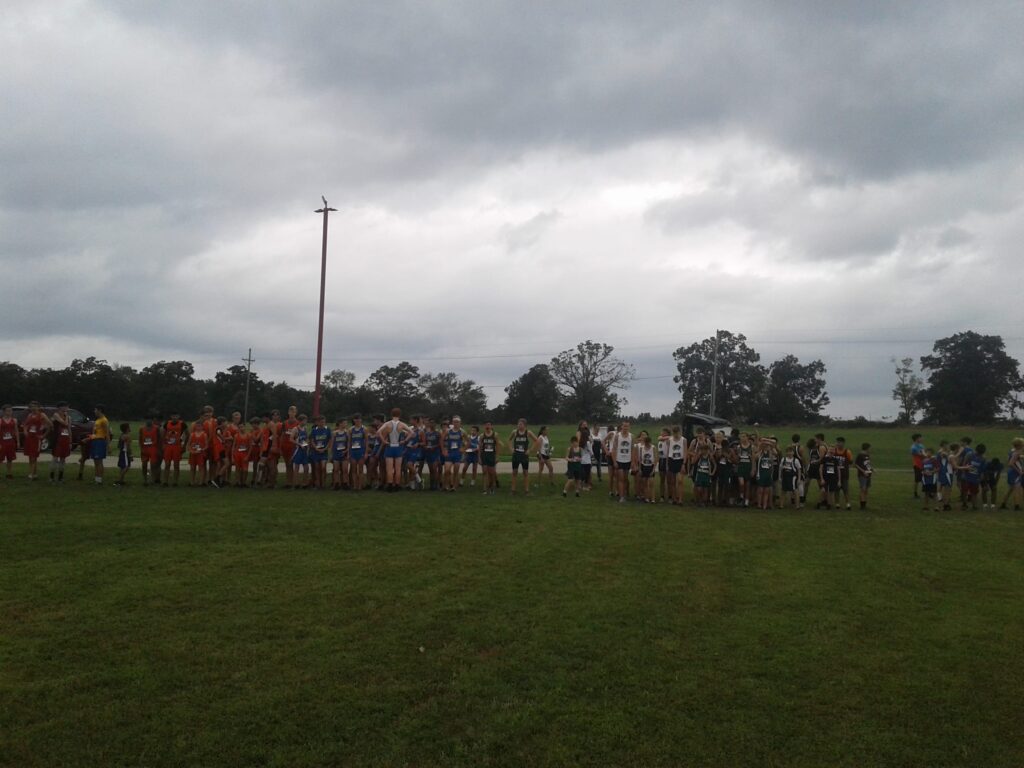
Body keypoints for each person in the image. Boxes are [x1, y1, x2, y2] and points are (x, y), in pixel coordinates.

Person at [377, 408, 413, 492]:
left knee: (389, 468)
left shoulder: (387, 424)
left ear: (391, 414)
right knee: (398, 468)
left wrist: (384, 441)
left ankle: (390, 485)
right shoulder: (402, 424)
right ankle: (397, 485)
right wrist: (405, 441)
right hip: (398, 447)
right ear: (399, 415)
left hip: (389, 446)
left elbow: (378, 432)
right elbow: (411, 432)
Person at [22, 401, 51, 480]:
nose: (33, 408)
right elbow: (25, 424)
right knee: (30, 456)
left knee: (34, 456)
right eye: (31, 406)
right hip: (29, 437)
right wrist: (25, 431)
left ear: (38, 407)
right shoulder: (30, 415)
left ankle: (31, 474)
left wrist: (44, 435)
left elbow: (50, 425)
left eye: (35, 406)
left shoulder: (42, 415)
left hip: (37, 438)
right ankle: (34, 473)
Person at [508, 419, 538, 495]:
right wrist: (511, 448)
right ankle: (513, 490)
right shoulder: (514, 432)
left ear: (525, 425)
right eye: (518, 424)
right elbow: (509, 440)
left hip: (524, 455)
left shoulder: (528, 432)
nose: (519, 425)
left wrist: (530, 450)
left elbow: (536, 440)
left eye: (521, 424)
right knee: (514, 472)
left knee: (525, 472)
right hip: (516, 454)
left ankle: (526, 490)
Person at [610, 421, 634, 503]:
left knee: (625, 478)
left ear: (629, 427)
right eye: (624, 426)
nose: (625, 428)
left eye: (627, 426)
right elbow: (614, 449)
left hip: (628, 460)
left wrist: (632, 462)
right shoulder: (617, 436)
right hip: (619, 460)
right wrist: (614, 461)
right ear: (622, 427)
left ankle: (624, 493)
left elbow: (632, 450)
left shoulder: (631, 436)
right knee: (621, 478)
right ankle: (621, 496)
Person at [49, 402, 73, 484]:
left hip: (65, 439)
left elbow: (69, 429)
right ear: (60, 408)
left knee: (63, 459)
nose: (66, 409)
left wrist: (70, 441)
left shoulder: (68, 417)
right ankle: (52, 477)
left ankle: (60, 477)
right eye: (65, 407)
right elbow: (64, 423)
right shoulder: (56, 415)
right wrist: (66, 416)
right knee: (55, 458)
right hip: (57, 439)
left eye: (67, 407)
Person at [161, 410, 186, 487]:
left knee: (176, 465)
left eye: (176, 416)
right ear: (171, 416)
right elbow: (163, 434)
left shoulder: (182, 424)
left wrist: (184, 445)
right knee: (167, 464)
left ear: (179, 416)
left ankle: (175, 482)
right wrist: (163, 444)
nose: (174, 417)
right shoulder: (167, 423)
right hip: (168, 446)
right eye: (173, 416)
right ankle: (165, 481)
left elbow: (187, 434)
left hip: (177, 446)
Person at [998, 438, 1023, 511]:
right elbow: (1011, 463)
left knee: (1010, 489)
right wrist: (1019, 471)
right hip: (1014, 473)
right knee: (1016, 489)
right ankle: (1017, 506)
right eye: (1022, 444)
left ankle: (1003, 504)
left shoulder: (1012, 451)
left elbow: (1015, 458)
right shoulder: (1017, 453)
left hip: (1011, 472)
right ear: (1019, 445)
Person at [442, 417, 464, 492]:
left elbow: (468, 441)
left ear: (460, 423)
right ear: (452, 423)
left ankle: (454, 487)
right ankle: (446, 485)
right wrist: (443, 450)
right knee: (447, 470)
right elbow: (441, 440)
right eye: (454, 422)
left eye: (457, 422)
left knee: (456, 471)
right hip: (449, 452)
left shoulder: (462, 432)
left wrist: (463, 449)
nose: (456, 423)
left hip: (457, 453)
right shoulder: (448, 431)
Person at [90, 404, 111, 485]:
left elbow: (107, 433)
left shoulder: (104, 420)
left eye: (95, 410)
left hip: (100, 441)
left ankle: (99, 480)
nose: (94, 411)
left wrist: (108, 445)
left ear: (100, 410)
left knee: (99, 461)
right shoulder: (97, 420)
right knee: (95, 461)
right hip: (94, 441)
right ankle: (96, 478)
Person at [138, 415, 161, 486]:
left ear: (152, 420)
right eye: (147, 419)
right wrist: (141, 448)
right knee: (144, 465)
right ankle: (145, 480)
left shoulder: (156, 428)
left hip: (153, 448)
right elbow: (140, 438)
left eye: (150, 419)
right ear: (145, 420)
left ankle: (152, 479)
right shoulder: (142, 428)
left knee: (153, 465)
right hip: (145, 448)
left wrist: (158, 449)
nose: (149, 421)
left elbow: (159, 438)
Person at [479, 422, 501, 495]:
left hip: (491, 455)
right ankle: (484, 489)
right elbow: (480, 447)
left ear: (491, 426)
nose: (487, 426)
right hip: (484, 455)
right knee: (484, 472)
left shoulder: (495, 435)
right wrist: (479, 457)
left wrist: (497, 456)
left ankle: (492, 488)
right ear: (484, 426)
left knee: (492, 473)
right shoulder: (482, 436)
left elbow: (497, 446)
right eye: (486, 425)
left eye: (489, 425)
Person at [309, 415, 331, 490]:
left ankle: (323, 483)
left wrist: (325, 448)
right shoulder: (314, 430)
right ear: (318, 422)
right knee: (317, 468)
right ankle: (317, 484)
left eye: (324, 422)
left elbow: (330, 440)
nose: (322, 423)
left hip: (324, 452)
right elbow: (312, 440)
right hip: (316, 452)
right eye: (321, 422)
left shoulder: (327, 429)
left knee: (323, 467)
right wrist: (316, 448)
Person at [348, 414, 369, 491]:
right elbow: (349, 442)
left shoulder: (364, 429)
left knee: (360, 469)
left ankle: (360, 485)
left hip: (361, 451)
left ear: (361, 420)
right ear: (353, 420)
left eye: (359, 419)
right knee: (353, 469)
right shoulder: (351, 430)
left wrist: (366, 452)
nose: (357, 421)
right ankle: (355, 485)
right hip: (353, 451)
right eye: (356, 419)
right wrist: (348, 452)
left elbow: (366, 441)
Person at [667, 426, 686, 505]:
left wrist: (684, 464)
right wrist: (667, 463)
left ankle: (680, 499)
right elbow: (668, 451)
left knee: (680, 481)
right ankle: (674, 498)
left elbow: (685, 452)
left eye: (677, 432)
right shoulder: (670, 440)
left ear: (679, 432)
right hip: (672, 460)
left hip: (680, 460)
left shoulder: (683, 440)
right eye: (674, 433)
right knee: (672, 481)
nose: (675, 434)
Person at [280, 405, 299, 489]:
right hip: (285, 446)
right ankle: (288, 482)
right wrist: (280, 446)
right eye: (290, 411)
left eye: (293, 411)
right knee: (287, 464)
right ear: (288, 412)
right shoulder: (285, 423)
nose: (292, 413)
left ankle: (292, 482)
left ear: (296, 413)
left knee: (292, 464)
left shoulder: (297, 423)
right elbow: (282, 435)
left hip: (293, 446)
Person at [290, 414, 311, 489]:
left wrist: (307, 444)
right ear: (300, 421)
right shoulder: (295, 429)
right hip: (298, 450)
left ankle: (305, 483)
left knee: (306, 467)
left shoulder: (305, 428)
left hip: (304, 450)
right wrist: (299, 444)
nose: (306, 422)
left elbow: (306, 438)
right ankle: (296, 483)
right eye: (305, 420)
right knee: (297, 467)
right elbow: (291, 439)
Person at [754, 440, 775, 510]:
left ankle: (765, 505)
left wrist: (771, 474)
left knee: (766, 491)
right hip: (761, 474)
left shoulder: (770, 454)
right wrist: (762, 444)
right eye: (765, 446)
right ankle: (759, 504)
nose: (766, 447)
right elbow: (755, 457)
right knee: (760, 490)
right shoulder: (760, 453)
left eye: (768, 446)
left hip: (768, 474)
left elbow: (772, 465)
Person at [1, 404, 20, 479]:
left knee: (10, 459)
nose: (9, 412)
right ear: (4, 411)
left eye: (10, 411)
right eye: (8, 411)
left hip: (11, 442)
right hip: (2, 442)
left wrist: (18, 442)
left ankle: (9, 473)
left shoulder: (14, 420)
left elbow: (16, 431)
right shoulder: (0, 420)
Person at [834, 437, 854, 510]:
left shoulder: (847, 452)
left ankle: (848, 503)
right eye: (837, 442)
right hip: (835, 474)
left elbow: (851, 461)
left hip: (844, 474)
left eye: (839, 442)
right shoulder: (834, 451)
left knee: (845, 489)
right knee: (836, 489)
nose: (838, 444)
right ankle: (837, 503)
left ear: (843, 443)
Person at [330, 418, 349, 490]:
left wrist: (347, 451)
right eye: (344, 423)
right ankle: (336, 484)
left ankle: (345, 483)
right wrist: (331, 454)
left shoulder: (347, 433)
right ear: (340, 424)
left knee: (345, 469)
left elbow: (348, 443)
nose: (345, 424)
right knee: (336, 469)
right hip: (336, 453)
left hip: (344, 453)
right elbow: (332, 444)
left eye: (346, 423)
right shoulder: (334, 433)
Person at [188, 420, 209, 487]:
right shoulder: (192, 434)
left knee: (201, 468)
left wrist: (202, 450)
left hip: (200, 454)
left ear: (202, 427)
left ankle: (201, 482)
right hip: (193, 453)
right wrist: (192, 451)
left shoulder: (204, 435)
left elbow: (206, 445)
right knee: (192, 468)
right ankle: (192, 482)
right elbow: (188, 445)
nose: (198, 427)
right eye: (197, 426)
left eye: (200, 426)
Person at [232, 422, 254, 488]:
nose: (241, 428)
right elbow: (234, 446)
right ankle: (238, 481)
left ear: (245, 427)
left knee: (245, 469)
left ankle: (244, 482)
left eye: (242, 427)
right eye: (240, 427)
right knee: (237, 468)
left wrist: (248, 456)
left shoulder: (249, 435)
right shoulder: (236, 436)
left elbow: (250, 446)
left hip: (245, 454)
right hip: (237, 453)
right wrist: (232, 456)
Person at [637, 432, 656, 503]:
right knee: (645, 483)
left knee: (651, 483)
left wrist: (653, 469)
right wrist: (640, 469)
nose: (646, 444)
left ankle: (653, 499)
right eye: (645, 443)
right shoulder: (641, 448)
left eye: (648, 443)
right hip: (644, 466)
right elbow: (640, 459)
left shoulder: (653, 448)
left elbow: (655, 459)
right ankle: (646, 497)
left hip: (651, 466)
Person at [818, 446, 839, 510]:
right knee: (823, 490)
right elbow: (820, 468)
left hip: (833, 478)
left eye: (833, 450)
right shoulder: (824, 459)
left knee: (831, 492)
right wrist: (822, 478)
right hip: (825, 478)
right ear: (828, 451)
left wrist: (839, 480)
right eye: (830, 450)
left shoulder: (835, 460)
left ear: (834, 451)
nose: (831, 451)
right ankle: (819, 503)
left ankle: (829, 505)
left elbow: (838, 470)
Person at [854, 442, 873, 510]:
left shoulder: (867, 455)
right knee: (863, 489)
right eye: (870, 448)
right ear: (867, 448)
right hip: (862, 475)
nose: (870, 449)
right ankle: (862, 505)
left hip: (868, 474)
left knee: (866, 489)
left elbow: (867, 464)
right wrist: (863, 471)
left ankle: (865, 502)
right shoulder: (860, 455)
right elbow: (856, 465)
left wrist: (872, 469)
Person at [657, 427, 671, 502]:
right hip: (661, 459)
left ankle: (670, 496)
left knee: (669, 480)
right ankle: (662, 496)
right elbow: (659, 438)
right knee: (662, 479)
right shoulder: (660, 440)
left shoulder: (668, 440)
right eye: (662, 432)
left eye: (664, 432)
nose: (662, 433)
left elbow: (670, 437)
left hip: (667, 459)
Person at [911, 433, 925, 498]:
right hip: (917, 465)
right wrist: (929, 456)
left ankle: (927, 491)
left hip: (923, 464)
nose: (922, 439)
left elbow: (923, 453)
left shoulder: (921, 445)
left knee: (924, 478)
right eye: (920, 438)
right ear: (917, 439)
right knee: (917, 480)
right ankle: (915, 493)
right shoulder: (913, 448)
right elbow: (922, 455)